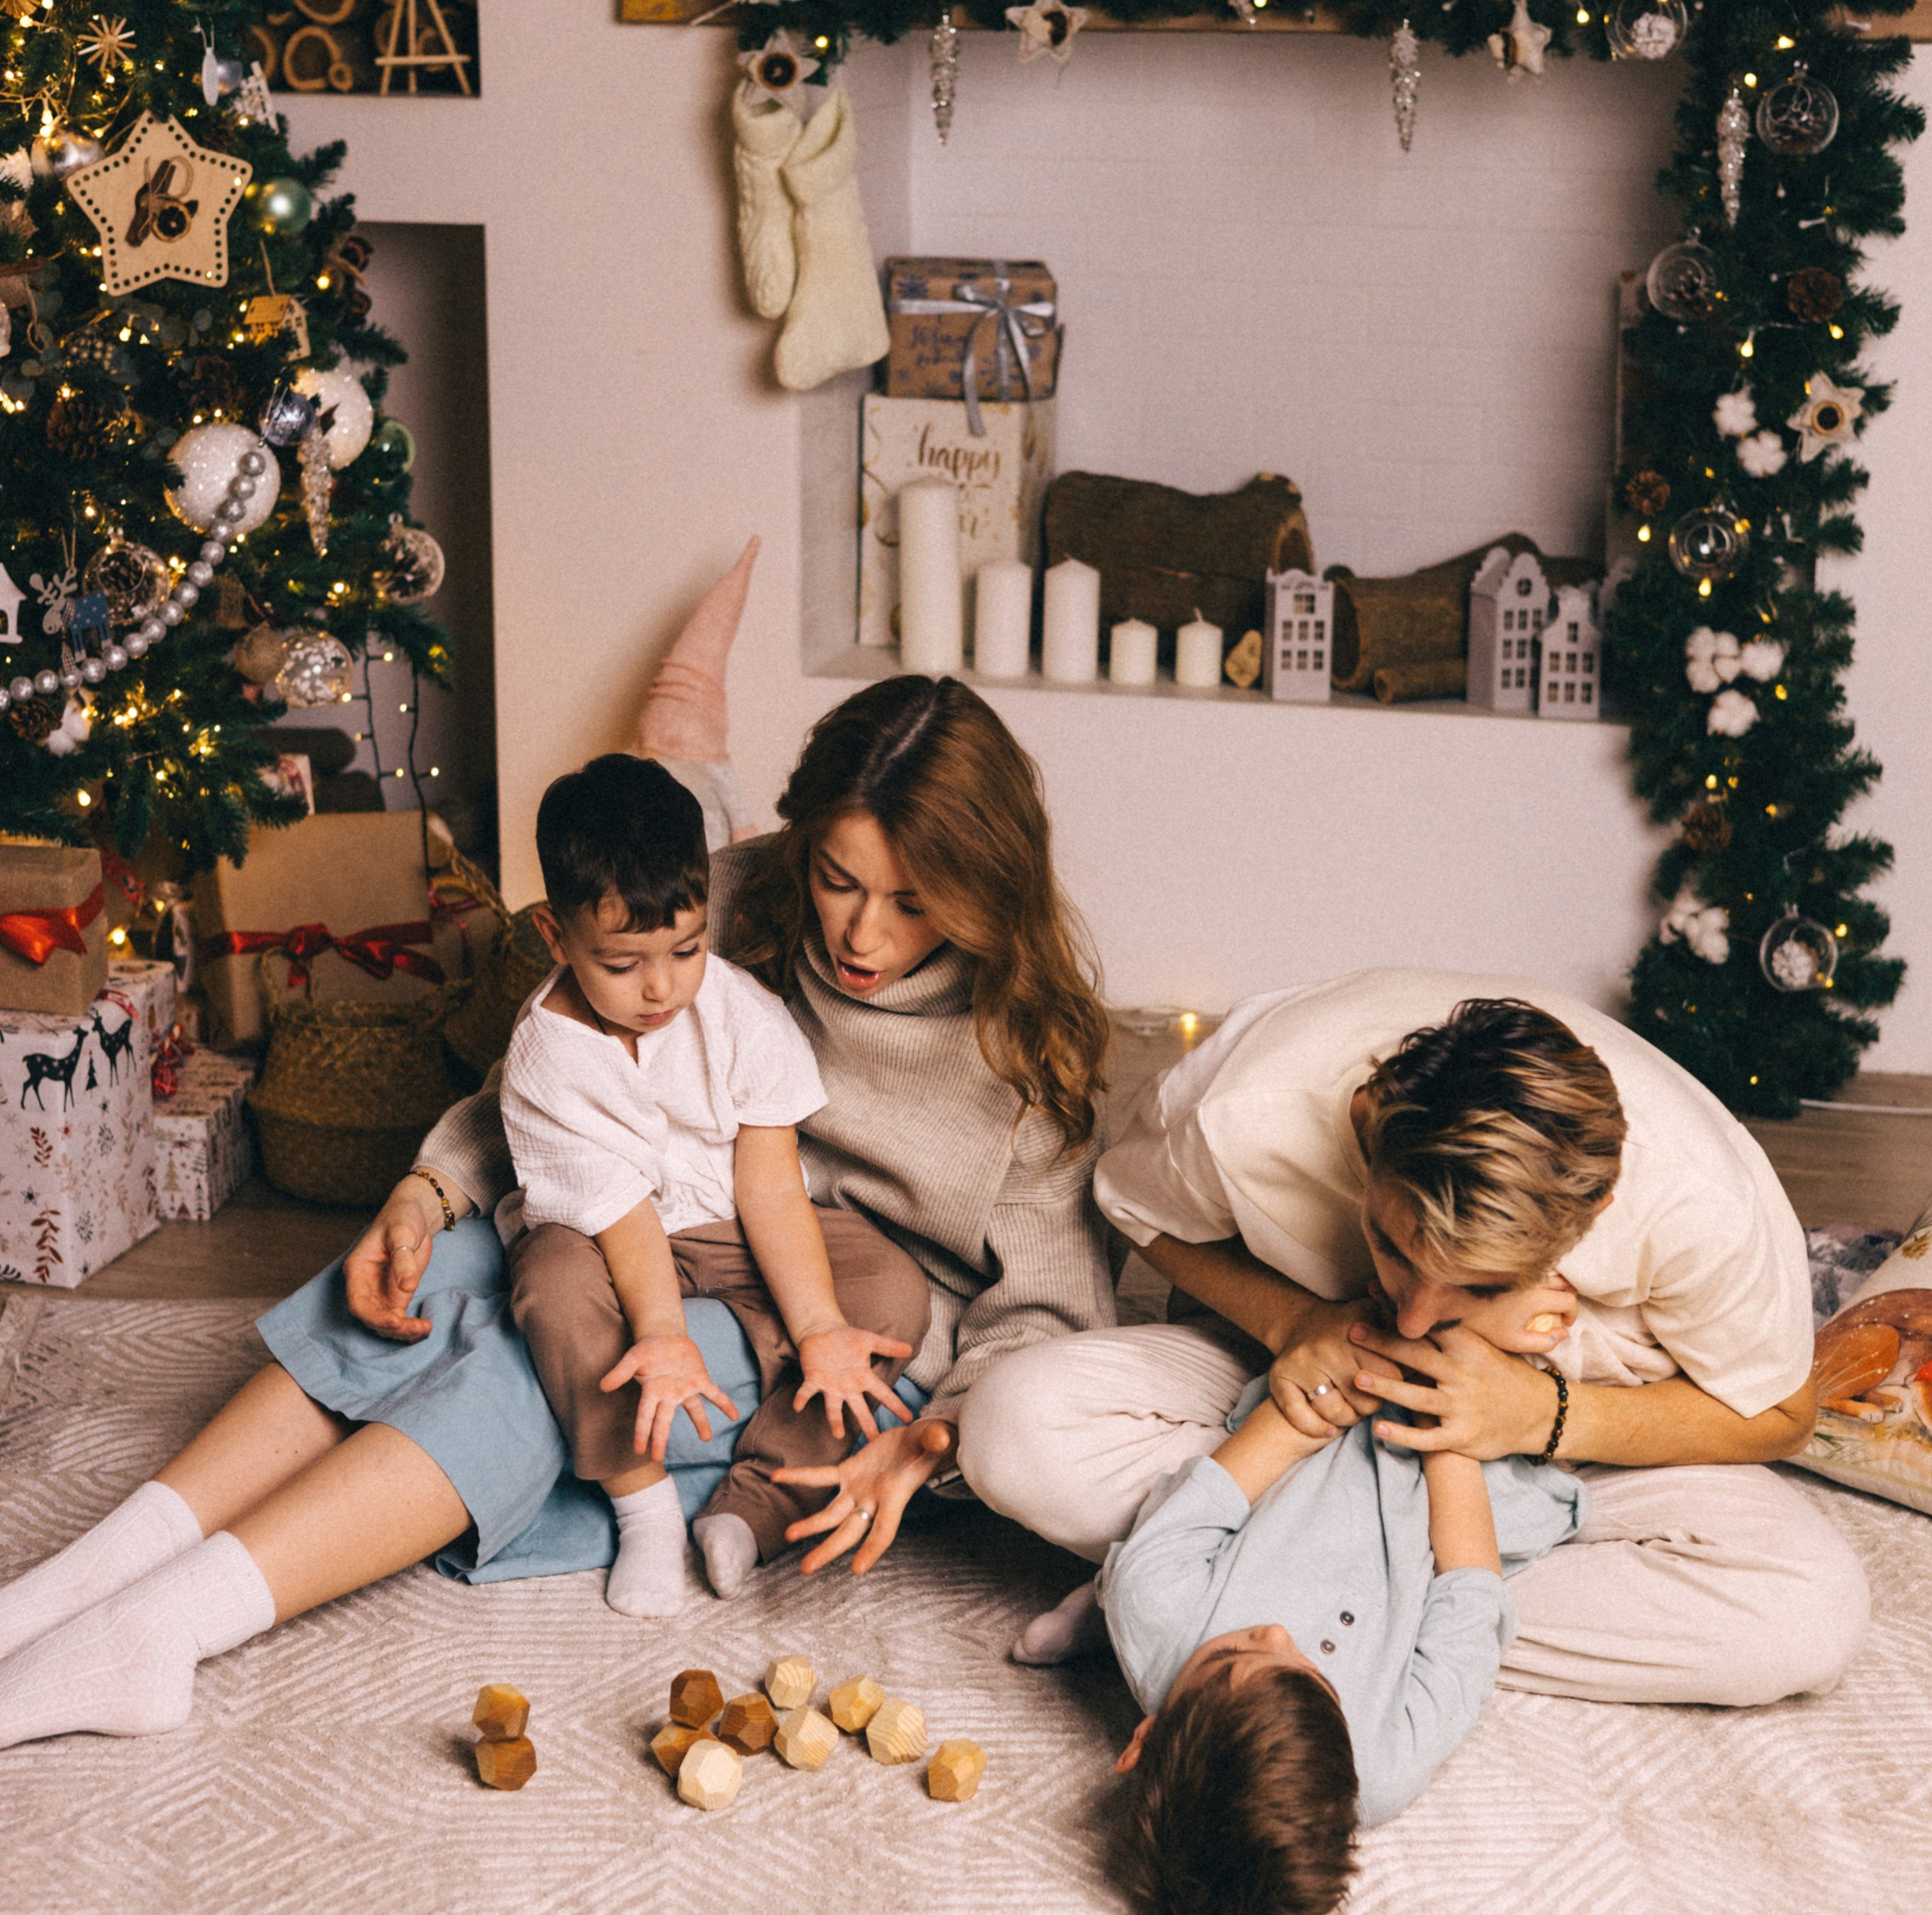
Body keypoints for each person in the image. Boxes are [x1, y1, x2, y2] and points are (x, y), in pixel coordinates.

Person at [0, 677, 1113, 1747]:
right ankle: (76, 1582)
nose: (861, 935)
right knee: (439, 1284)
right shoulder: (717, 899)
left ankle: (156, 1633)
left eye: (914, 903)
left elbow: (1056, 1323)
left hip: (836, 1318)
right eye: (838, 878)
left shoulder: (1027, 1051)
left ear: (983, 889)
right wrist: (426, 1190)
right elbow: (557, 1083)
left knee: (548, 1363)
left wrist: (928, 1446)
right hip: (635, 1206)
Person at [967, 976, 1869, 1709]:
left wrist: (1541, 1413)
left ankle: (1223, 1602)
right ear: (1366, 1125)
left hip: (1570, 1460)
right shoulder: (1241, 1110)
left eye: (1479, 1287)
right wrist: (1293, 1322)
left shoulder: (1701, 1211)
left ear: (1591, 1215)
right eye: (1393, 1248)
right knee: (1012, 1427)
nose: (1412, 1320)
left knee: (1808, 1615)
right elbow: (1132, 1207)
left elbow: (1783, 1415)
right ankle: (1329, 1620)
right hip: (1292, 1399)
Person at [500, 751, 928, 1617]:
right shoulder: (545, 1054)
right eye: (621, 965)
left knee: (889, 1288)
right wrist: (661, 1335)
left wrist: (817, 1326)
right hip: (604, 1230)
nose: (660, 988)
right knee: (548, 1288)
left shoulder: (737, 1012)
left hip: (727, 1218)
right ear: (555, 936)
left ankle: (757, 1504)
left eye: (685, 950)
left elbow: (769, 1183)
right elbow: (619, 1217)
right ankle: (644, 1506)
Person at [1102, 1314, 1586, 1915]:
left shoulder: (1150, 1604)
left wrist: (1398, 1365)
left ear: (1143, 1739)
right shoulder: (1377, 1772)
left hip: (1331, 1403)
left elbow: (1280, 1432)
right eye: (1309, 1671)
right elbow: (1470, 1587)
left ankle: (1088, 1606)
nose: (1274, 1633)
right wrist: (1451, 1423)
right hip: (1469, 1486)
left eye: (1226, 1658)